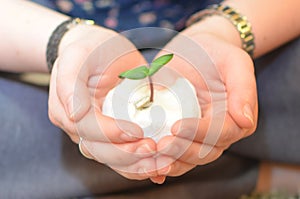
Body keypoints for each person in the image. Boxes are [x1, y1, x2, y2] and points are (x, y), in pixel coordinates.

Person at [0, 0, 299, 198]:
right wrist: (63, 42)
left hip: (245, 48)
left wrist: (226, 33)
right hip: (39, 52)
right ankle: (251, 170)